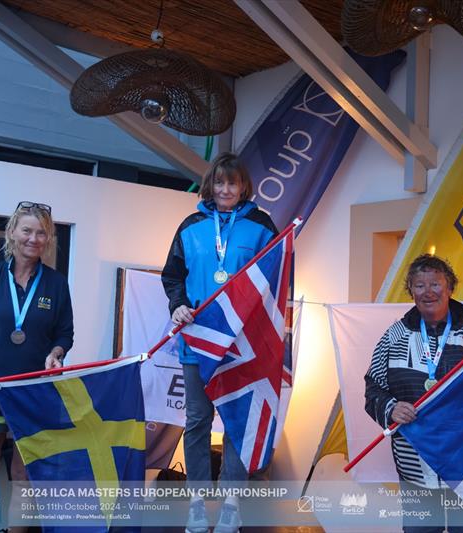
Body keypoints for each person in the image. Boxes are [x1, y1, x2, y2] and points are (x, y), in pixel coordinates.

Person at [162, 152, 277, 533]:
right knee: (197, 421)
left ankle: (231, 505)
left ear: (244, 186)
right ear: (210, 185)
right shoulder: (190, 225)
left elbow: (275, 278)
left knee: (236, 423)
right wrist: (178, 305)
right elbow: (173, 275)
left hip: (242, 344)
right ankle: (196, 503)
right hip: (198, 340)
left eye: (233, 182)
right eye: (220, 182)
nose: (226, 189)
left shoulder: (261, 226)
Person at [0, 202, 74, 504]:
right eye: (27, 230)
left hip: (34, 393)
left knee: (25, 475)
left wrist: (56, 353)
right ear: (12, 233)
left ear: (49, 239)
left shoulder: (56, 284)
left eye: (42, 233)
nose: (34, 238)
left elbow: (64, 333)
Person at [364, 254, 463, 533]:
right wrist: (390, 408)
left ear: (450, 287)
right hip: (415, 469)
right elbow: (373, 387)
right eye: (419, 285)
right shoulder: (394, 336)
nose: (428, 291)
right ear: (411, 291)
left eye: (435, 283)